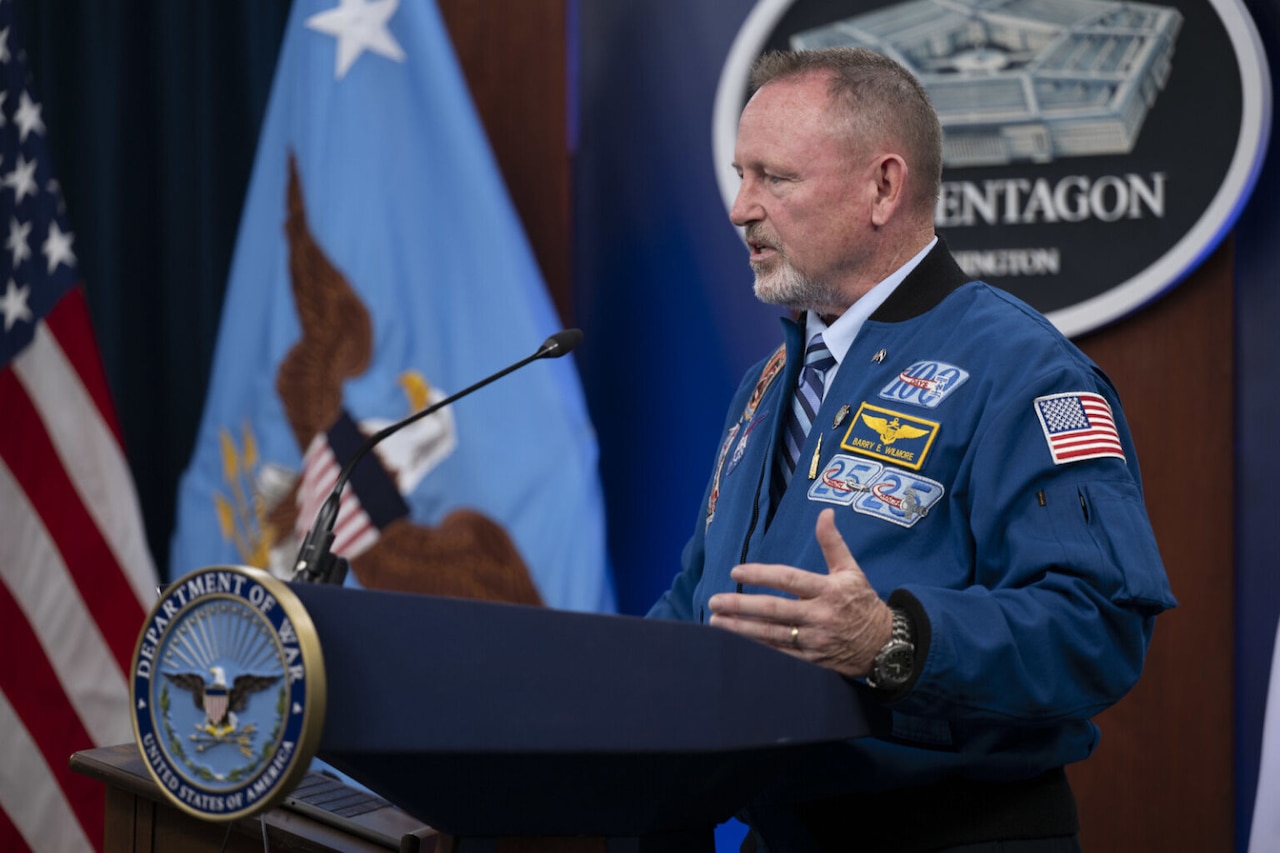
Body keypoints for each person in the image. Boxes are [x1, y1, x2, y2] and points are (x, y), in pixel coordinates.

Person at [646, 47, 1176, 851]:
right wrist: (600, 692)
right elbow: (699, 599)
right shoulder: (766, 383)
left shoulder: (1023, 369)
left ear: (884, 187)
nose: (740, 207)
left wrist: (891, 639)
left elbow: (1098, 626)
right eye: (740, 174)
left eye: (774, 178)